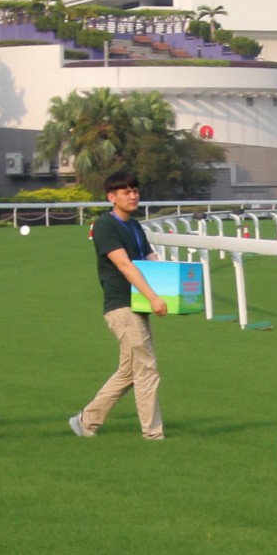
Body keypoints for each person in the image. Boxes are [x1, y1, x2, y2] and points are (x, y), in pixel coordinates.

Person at [69, 171, 167, 440]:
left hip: (138, 304)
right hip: (121, 306)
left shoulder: (134, 225)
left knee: (129, 371)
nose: (133, 195)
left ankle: (86, 421)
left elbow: (149, 256)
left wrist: (170, 288)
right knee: (146, 368)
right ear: (111, 197)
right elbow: (125, 265)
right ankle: (153, 434)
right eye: (126, 191)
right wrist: (153, 296)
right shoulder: (105, 225)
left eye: (135, 190)